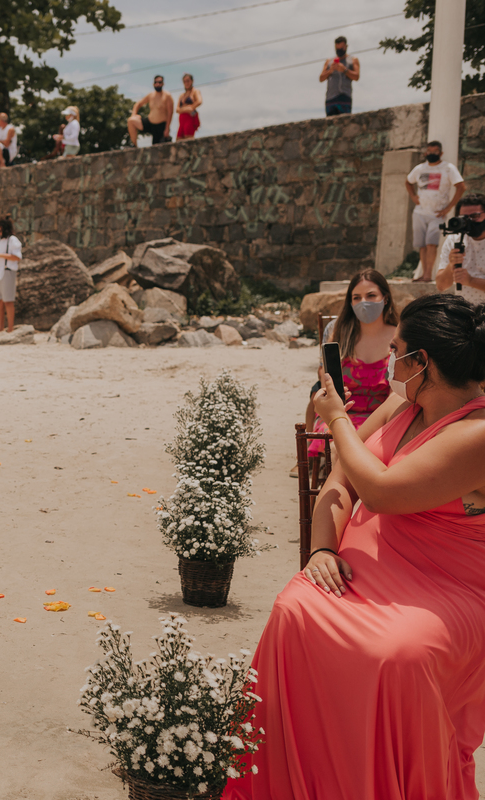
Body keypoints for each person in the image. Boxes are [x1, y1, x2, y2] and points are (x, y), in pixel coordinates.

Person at [225, 292, 485, 799]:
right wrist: (322, 549)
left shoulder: (477, 432)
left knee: (395, 656)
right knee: (292, 610)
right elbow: (341, 479)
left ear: (421, 362)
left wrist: (337, 418)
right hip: (363, 568)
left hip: (444, 586)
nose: (392, 358)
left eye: (398, 349)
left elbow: (382, 491)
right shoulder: (403, 401)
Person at [304, 269, 398, 458]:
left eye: (371, 295)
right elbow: (327, 388)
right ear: (350, 302)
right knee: (341, 445)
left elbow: (396, 398)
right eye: (357, 297)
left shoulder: (399, 336)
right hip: (339, 415)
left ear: (385, 298)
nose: (364, 302)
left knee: (353, 448)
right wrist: (342, 422)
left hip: (384, 418)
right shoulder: (338, 334)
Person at [407, 141, 465, 282]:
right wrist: (413, 196)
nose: (432, 154)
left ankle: (428, 275)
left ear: (441, 153)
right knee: (422, 245)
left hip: (437, 214)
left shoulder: (448, 168)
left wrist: (449, 207)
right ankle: (423, 274)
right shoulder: (420, 168)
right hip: (420, 212)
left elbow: (461, 187)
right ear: (426, 153)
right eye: (429, 151)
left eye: (435, 151)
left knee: (431, 243)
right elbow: (408, 182)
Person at [435, 193, 485, 304]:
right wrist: (451, 265)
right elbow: (441, 286)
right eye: (464, 218)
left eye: (475, 216)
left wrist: (471, 281)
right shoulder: (454, 240)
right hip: (466, 314)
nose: (469, 221)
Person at [0, 214, 22, 333]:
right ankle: (1, 327)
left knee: (8, 300)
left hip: (8, 271)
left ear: (3, 226)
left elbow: (17, 257)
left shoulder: (13, 240)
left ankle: (10, 328)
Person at [127, 75, 175, 146]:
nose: (158, 84)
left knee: (157, 148)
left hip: (161, 126)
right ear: (153, 84)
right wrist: (134, 114)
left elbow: (170, 113)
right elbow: (138, 104)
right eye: (156, 82)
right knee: (131, 121)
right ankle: (134, 146)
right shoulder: (151, 95)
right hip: (150, 123)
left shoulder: (167, 96)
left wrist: (167, 128)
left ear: (163, 83)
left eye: (159, 82)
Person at [320, 35, 359, 117]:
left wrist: (344, 70)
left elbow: (356, 76)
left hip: (345, 97)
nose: (339, 50)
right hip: (331, 99)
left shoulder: (353, 60)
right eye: (337, 49)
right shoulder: (329, 61)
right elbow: (321, 78)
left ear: (346, 47)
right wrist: (330, 70)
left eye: (341, 48)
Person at [176, 73, 202, 140]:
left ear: (192, 81)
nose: (186, 83)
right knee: (179, 138)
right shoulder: (182, 95)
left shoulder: (195, 91)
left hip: (189, 118)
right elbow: (177, 109)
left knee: (188, 138)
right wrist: (187, 109)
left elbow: (199, 101)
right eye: (184, 81)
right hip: (182, 119)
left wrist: (191, 107)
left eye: (188, 81)